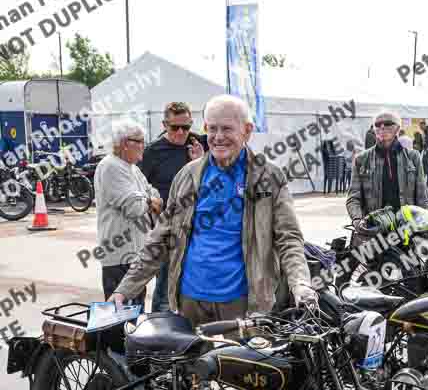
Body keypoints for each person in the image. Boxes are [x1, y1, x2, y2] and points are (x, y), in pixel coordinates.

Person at [110, 95, 315, 326]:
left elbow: (289, 238)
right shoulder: (187, 176)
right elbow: (161, 238)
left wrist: (300, 284)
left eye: (227, 129)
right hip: (190, 300)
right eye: (212, 129)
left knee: (242, 362)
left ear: (247, 131)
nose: (218, 137)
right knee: (191, 362)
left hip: (244, 303)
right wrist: (124, 290)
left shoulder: (268, 177)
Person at [140, 102, 206, 312]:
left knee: (193, 280)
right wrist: (153, 203)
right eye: (174, 127)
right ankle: (161, 329)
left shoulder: (199, 144)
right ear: (164, 125)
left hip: (198, 226)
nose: (180, 132)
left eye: (185, 127)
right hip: (168, 228)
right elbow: (141, 185)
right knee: (165, 284)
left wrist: (201, 160)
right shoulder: (153, 151)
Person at [94, 121, 162, 307]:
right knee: (121, 316)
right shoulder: (111, 166)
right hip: (119, 255)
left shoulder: (132, 168)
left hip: (136, 254)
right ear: (125, 143)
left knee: (135, 312)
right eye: (139, 141)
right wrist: (147, 200)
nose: (144, 145)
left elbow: (155, 195)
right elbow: (134, 208)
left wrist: (146, 198)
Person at [346, 109, 428, 221]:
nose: (382, 127)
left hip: (406, 226)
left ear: (398, 129)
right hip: (374, 227)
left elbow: (422, 197)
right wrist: (357, 219)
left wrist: (424, 223)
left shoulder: (413, 157)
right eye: (377, 124)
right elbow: (353, 198)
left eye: (388, 123)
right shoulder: (361, 159)